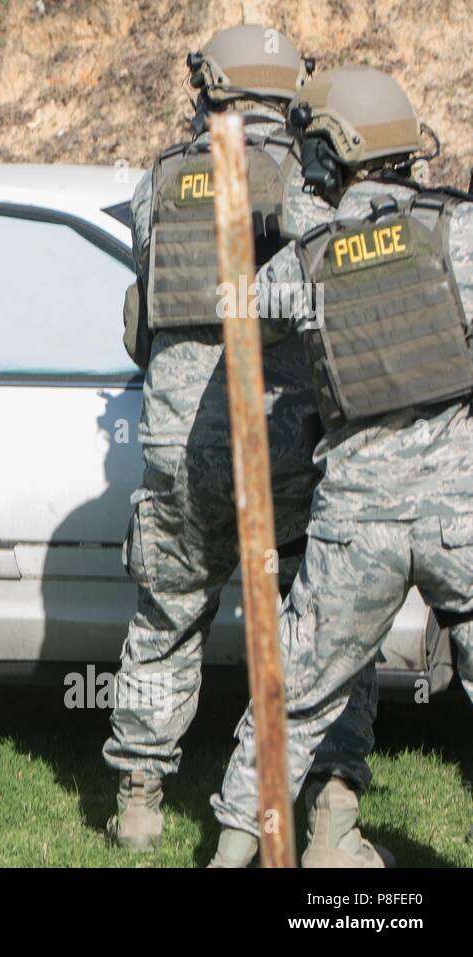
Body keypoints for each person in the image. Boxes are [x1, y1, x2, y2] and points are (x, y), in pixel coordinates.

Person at [105, 24, 376, 852]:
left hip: (180, 450)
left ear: (212, 88)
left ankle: (142, 803)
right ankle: (328, 815)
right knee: (323, 639)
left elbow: (138, 322)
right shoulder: (316, 176)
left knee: (166, 621)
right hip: (286, 445)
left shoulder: (162, 179)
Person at [210, 66, 473, 868]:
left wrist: (302, 217)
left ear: (330, 155)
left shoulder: (310, 260)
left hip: (356, 520)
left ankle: (231, 849)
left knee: (295, 693)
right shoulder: (455, 232)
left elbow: (244, 312)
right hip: (461, 508)